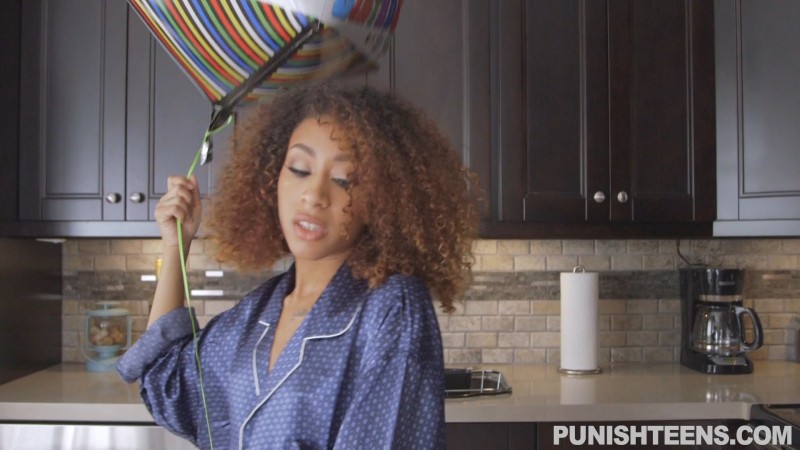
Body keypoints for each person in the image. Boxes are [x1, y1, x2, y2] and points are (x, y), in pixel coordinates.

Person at [117, 83, 480, 450]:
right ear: (272, 178)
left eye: (344, 180)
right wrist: (176, 245)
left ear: (382, 200)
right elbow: (169, 381)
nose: (314, 195)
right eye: (300, 169)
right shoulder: (258, 313)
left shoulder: (392, 308)